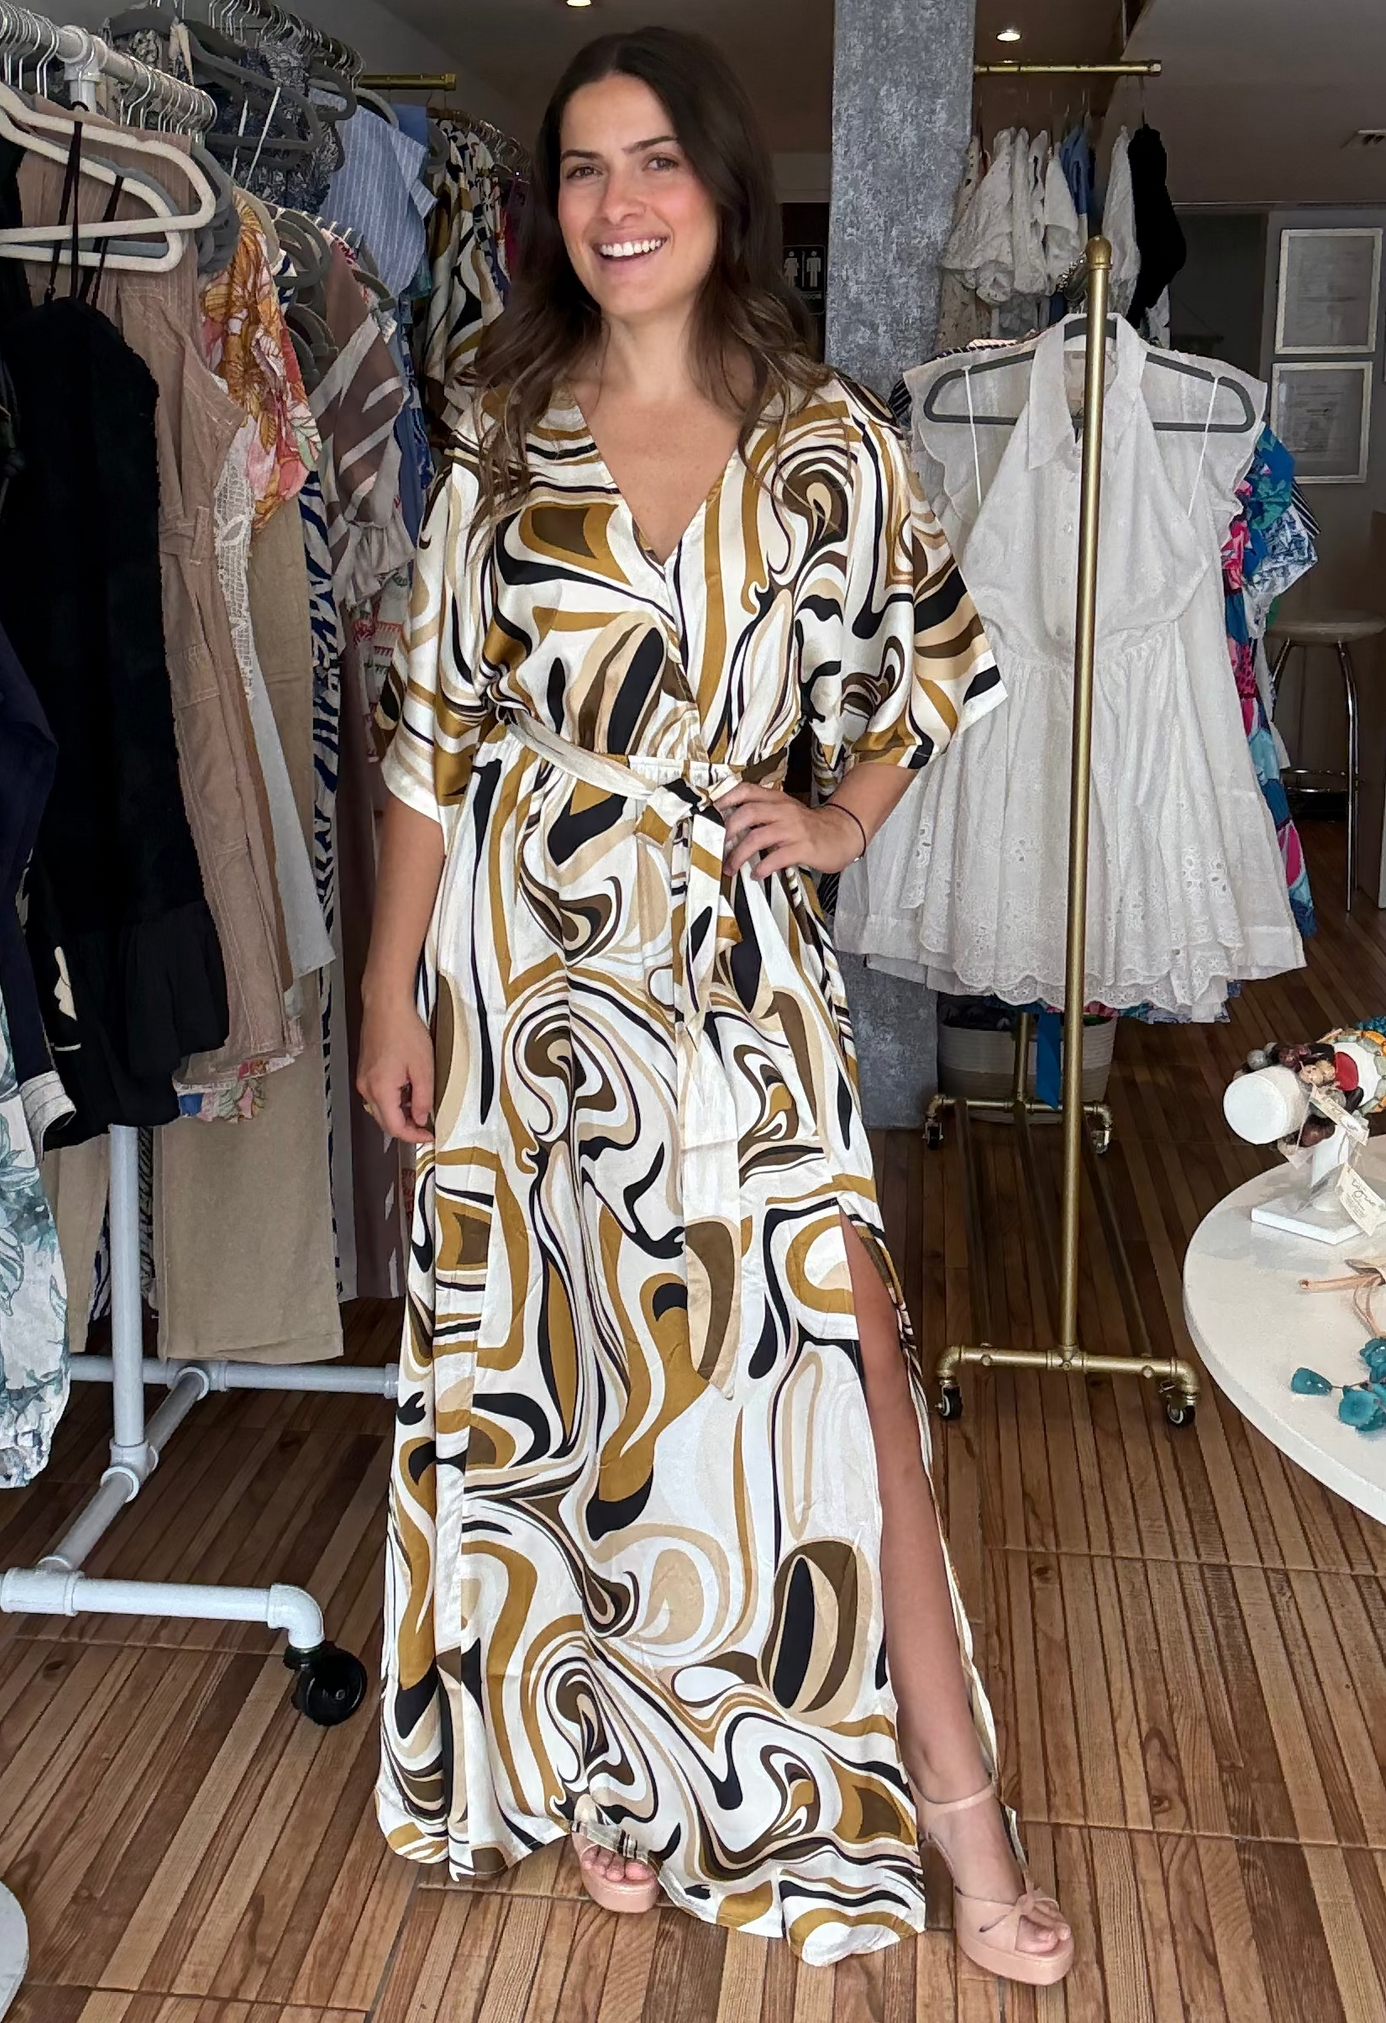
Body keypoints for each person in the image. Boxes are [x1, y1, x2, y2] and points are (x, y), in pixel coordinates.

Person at [358, 24, 1074, 1984]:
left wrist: (839, 817)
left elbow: (935, 657)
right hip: (530, 980)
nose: (619, 203)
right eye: (584, 168)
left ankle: (958, 1818)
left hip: (740, 982)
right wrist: (390, 996)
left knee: (844, 1367)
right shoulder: (497, 428)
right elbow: (428, 739)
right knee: (585, 1372)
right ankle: (617, 1767)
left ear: (720, 187)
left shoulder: (825, 437)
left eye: (654, 159)